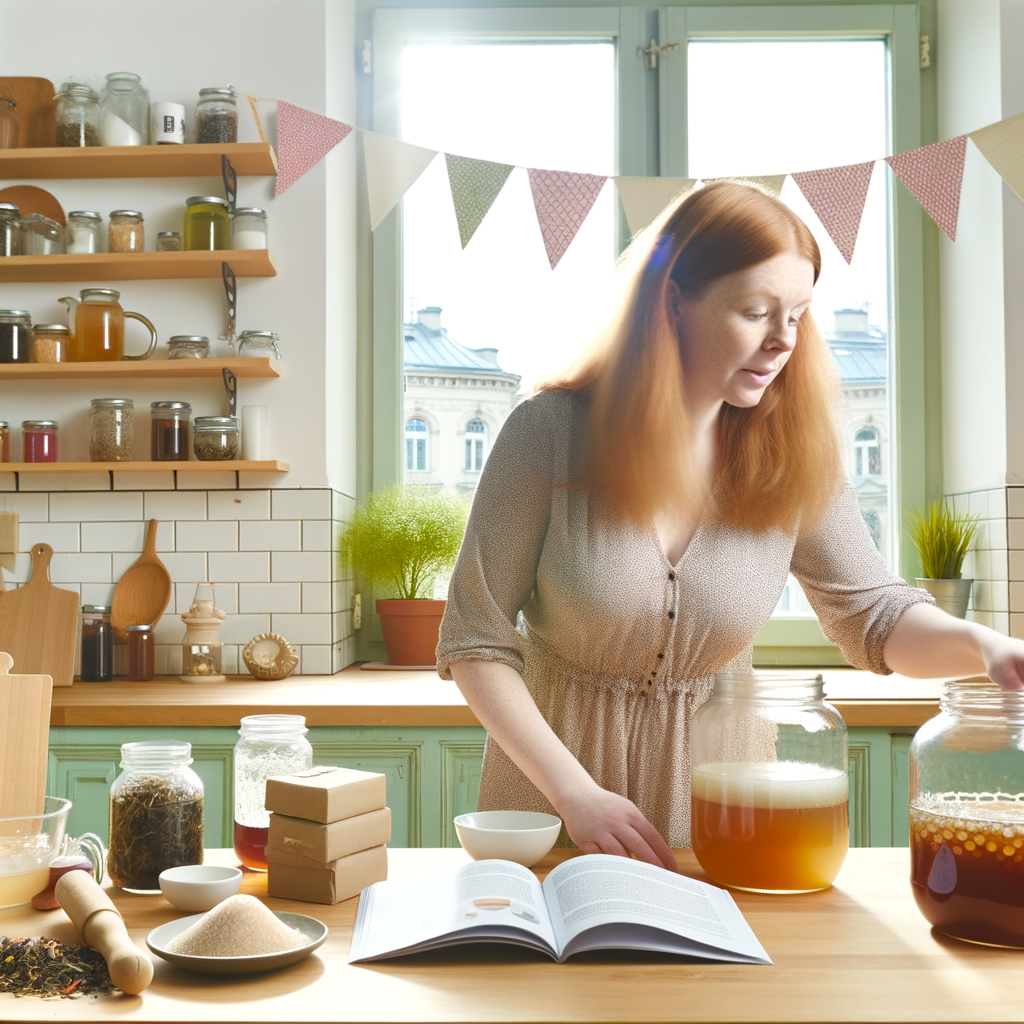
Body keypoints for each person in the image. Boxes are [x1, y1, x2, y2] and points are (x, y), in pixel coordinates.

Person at [436, 181, 1024, 873]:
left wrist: (988, 648)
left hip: (727, 805)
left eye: (798, 315)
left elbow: (875, 616)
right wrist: (576, 795)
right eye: (755, 312)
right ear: (673, 302)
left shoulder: (794, 455)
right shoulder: (549, 434)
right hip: (555, 800)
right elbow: (475, 640)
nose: (782, 341)